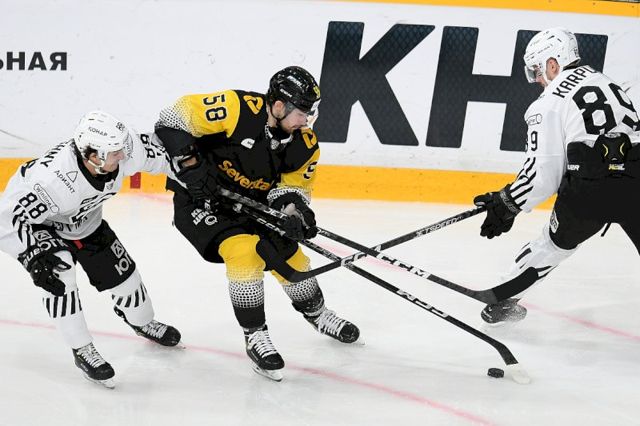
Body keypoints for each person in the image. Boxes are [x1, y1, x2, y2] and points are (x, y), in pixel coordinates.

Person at [155, 65, 360, 381]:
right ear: (278, 106)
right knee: (245, 252)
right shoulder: (236, 108)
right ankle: (255, 335)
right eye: (302, 112)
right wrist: (191, 164)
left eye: (311, 112)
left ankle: (318, 314)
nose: (307, 120)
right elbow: (170, 121)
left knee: (291, 257)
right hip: (201, 203)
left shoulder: (304, 144)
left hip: (252, 207)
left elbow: (292, 190)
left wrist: (296, 214)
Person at [0, 111, 182, 388]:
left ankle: (142, 322)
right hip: (43, 227)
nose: (123, 155)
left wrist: (194, 177)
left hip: (87, 225)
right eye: (115, 152)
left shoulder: (122, 148)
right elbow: (6, 219)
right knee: (60, 274)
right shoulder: (51, 183)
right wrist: (31, 257)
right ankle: (82, 348)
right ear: (93, 156)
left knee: (128, 283)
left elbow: (163, 159)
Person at [473, 27, 640, 325]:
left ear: (553, 64)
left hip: (591, 191)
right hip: (637, 181)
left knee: (552, 245)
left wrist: (506, 203)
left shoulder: (548, 103)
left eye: (537, 71)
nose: (537, 79)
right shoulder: (607, 82)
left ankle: (501, 300)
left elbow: (542, 176)